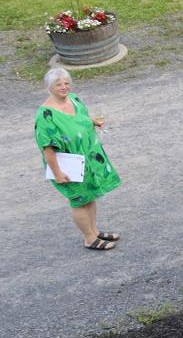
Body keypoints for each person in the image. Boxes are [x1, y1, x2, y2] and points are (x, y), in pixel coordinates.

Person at [37, 67, 122, 250]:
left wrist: (93, 122)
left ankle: (94, 231)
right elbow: (48, 149)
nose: (64, 87)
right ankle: (89, 239)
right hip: (68, 166)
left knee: (90, 196)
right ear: (49, 87)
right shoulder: (46, 115)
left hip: (87, 160)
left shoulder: (74, 100)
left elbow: (80, 119)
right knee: (79, 201)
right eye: (58, 84)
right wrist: (58, 174)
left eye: (67, 83)